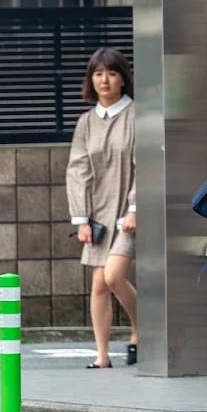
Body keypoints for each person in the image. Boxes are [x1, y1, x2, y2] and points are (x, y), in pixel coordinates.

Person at [66, 48, 138, 370]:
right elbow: (77, 170)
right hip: (98, 214)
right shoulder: (85, 122)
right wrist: (81, 218)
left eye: (111, 72)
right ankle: (103, 355)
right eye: (98, 73)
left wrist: (136, 207)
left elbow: (143, 165)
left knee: (112, 276)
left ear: (123, 77)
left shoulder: (137, 115)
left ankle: (141, 329)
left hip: (130, 210)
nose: (104, 80)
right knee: (98, 283)